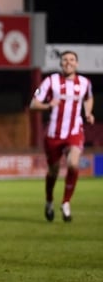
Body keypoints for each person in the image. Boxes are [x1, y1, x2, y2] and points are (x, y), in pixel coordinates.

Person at [29, 50, 94, 222]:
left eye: (72, 59)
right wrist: (48, 105)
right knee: (53, 171)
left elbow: (88, 98)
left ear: (77, 63)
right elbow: (33, 104)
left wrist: (88, 112)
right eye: (65, 60)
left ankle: (66, 203)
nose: (68, 62)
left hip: (74, 131)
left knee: (73, 163)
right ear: (61, 63)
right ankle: (49, 201)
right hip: (54, 134)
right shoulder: (51, 81)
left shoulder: (85, 83)